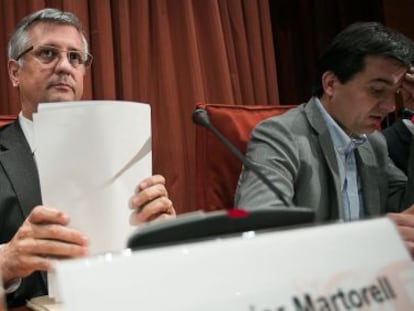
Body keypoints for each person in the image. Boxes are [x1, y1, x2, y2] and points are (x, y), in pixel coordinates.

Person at [0, 8, 175, 307]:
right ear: (15, 72)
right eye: (48, 53)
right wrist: (5, 262)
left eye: (75, 57)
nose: (64, 66)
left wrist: (161, 236)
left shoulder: (121, 154)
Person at [235, 22, 414, 255]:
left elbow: (406, 212)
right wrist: (368, 240)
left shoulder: (373, 143)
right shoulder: (280, 136)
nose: (391, 106)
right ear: (330, 84)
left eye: (396, 93)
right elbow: (259, 228)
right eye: (378, 91)